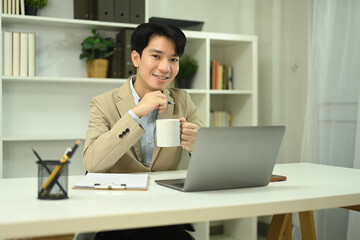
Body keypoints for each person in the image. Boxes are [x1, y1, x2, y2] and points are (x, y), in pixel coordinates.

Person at [82, 22, 204, 240]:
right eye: (156, 56)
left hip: (166, 216)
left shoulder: (182, 100)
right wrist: (135, 114)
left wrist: (198, 145)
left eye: (173, 59)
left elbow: (210, 158)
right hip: (117, 218)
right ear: (136, 58)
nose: (165, 67)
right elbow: (92, 162)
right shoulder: (102, 103)